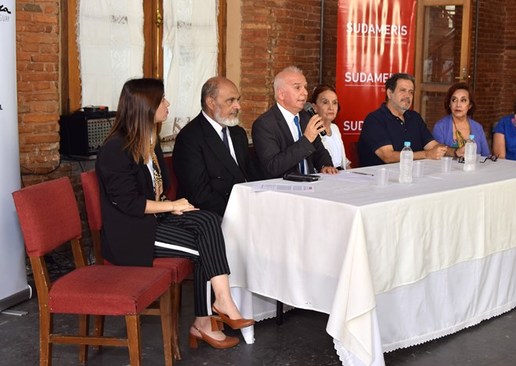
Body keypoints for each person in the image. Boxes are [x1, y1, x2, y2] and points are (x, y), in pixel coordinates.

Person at [95, 78, 254, 351]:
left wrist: (172, 205)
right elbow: (130, 203)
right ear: (145, 107)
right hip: (132, 234)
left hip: (153, 221)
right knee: (207, 244)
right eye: (162, 100)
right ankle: (213, 313)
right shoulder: (115, 149)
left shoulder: (150, 140)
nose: (168, 104)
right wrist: (172, 206)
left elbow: (158, 191)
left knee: (208, 220)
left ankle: (214, 311)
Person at [173, 76, 258, 216]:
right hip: (212, 214)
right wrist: (238, 211)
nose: (238, 106)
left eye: (238, 100)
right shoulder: (190, 137)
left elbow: (248, 174)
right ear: (211, 102)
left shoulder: (238, 133)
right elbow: (199, 194)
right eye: (230, 100)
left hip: (247, 206)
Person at [252, 66, 338, 178]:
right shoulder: (264, 124)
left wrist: (325, 165)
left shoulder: (306, 117)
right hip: (284, 188)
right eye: (297, 88)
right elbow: (273, 167)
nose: (305, 93)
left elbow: (320, 151)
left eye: (305, 87)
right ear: (281, 94)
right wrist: (306, 139)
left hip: (312, 183)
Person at [357, 73, 447, 166]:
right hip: (380, 177)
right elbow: (388, 156)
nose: (408, 96)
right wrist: (426, 154)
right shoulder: (375, 119)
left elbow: (433, 146)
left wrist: (452, 151)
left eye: (411, 92)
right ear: (389, 94)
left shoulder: (415, 117)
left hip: (413, 174)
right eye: (403, 90)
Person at [432, 83, 490, 158]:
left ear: (469, 105)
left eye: (463, 100)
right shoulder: (440, 127)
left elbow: (486, 156)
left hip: (474, 168)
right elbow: (436, 154)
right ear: (449, 104)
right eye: (454, 100)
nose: (458, 104)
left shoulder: (478, 127)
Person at [309, 84, 350, 170]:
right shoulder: (311, 131)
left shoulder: (335, 128)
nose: (331, 107)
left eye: (334, 103)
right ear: (314, 107)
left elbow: (344, 163)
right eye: (325, 102)